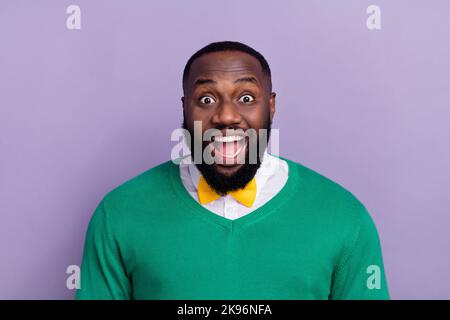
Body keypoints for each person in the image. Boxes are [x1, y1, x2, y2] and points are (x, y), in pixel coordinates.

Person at [76, 41, 389, 300]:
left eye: (247, 97)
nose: (226, 116)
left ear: (271, 106)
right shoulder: (119, 213)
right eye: (207, 98)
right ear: (185, 108)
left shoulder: (344, 217)